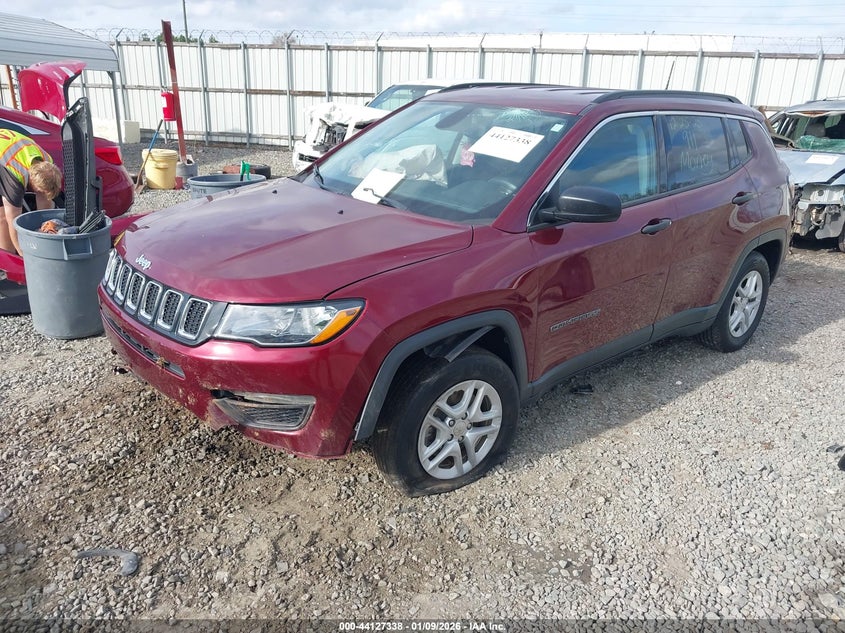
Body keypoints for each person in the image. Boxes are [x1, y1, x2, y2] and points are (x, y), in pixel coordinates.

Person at [0, 129, 63, 256]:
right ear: (33, 183)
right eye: (40, 190)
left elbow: (44, 206)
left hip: (6, 149)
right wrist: (26, 258)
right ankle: (10, 264)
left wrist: (45, 229)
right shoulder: (15, 178)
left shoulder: (47, 161)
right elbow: (13, 223)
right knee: (2, 218)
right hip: (6, 161)